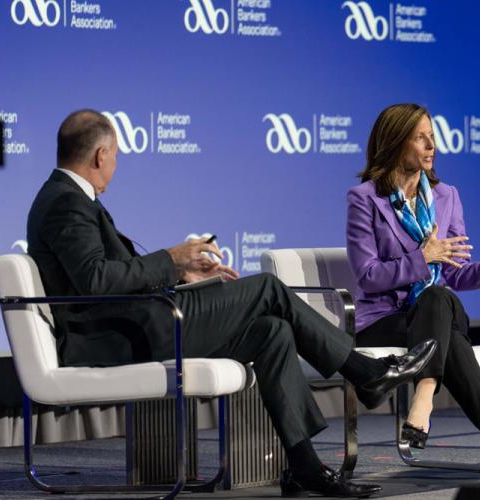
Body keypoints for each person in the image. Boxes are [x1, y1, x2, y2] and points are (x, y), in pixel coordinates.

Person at [27, 109, 438, 498]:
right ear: (100, 154)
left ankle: (304, 465)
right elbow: (96, 280)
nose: (116, 166)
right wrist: (171, 260)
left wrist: (184, 273)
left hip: (137, 323)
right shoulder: (67, 202)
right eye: (115, 156)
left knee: (272, 332)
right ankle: (364, 371)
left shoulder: (68, 198)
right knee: (267, 289)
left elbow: (106, 273)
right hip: (116, 339)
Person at [346, 103, 480, 471]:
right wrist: (423, 256)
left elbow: (457, 274)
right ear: (396, 142)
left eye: (432, 137)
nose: (431, 146)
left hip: (434, 311)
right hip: (384, 319)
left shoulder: (447, 196)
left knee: (438, 296)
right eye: (420, 138)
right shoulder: (365, 199)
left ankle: (425, 391)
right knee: (445, 319)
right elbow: (367, 276)